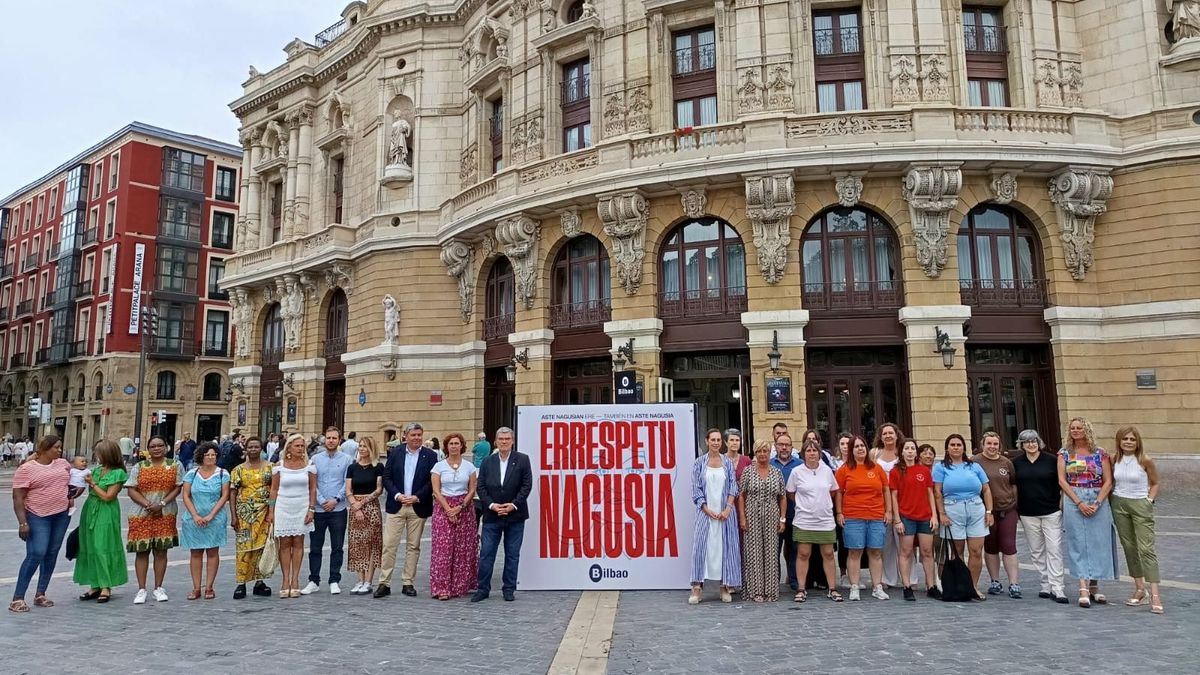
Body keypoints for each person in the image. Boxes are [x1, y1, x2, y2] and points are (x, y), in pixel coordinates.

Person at [1058, 417, 1118, 608]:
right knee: (1078, 542)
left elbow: (1108, 480)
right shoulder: (1064, 453)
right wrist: (1079, 502)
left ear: (1087, 430)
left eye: (1079, 428)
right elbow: (1062, 480)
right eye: (1073, 428)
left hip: (1097, 498)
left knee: (1098, 541)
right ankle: (1082, 586)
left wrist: (1098, 502)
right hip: (1074, 498)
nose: (1076, 431)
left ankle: (1094, 585)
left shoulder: (1100, 454)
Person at [9, 436, 71, 613]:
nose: (59, 451)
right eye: (56, 448)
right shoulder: (26, 469)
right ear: (44, 448)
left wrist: (72, 495)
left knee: (51, 553)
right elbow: (18, 497)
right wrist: (22, 522)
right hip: (37, 515)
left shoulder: (63, 464)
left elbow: (70, 483)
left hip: (61, 514)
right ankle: (18, 597)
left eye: (60, 447)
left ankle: (40, 593)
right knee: (36, 552)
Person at [377, 422, 438, 598]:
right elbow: (387, 478)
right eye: (413, 435)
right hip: (397, 505)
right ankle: (384, 582)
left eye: (419, 435)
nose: (417, 438)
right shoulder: (395, 453)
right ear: (405, 436)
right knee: (389, 545)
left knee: (413, 546)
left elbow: (431, 481)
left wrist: (417, 496)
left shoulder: (430, 455)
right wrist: (397, 495)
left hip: (418, 506)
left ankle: (408, 582)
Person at [472, 427, 532, 603]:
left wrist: (513, 505)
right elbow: (480, 486)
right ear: (495, 441)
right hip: (492, 516)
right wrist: (491, 505)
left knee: (512, 554)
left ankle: (508, 589)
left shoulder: (522, 460)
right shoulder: (487, 462)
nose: (504, 441)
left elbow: (526, 485)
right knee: (486, 553)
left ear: (512, 441)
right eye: (501, 439)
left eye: (507, 438)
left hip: (515, 515)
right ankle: (483, 589)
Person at [1109, 426, 1163, 614]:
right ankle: (1140, 589)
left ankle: (1155, 594)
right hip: (1119, 503)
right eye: (1125, 439)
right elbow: (1111, 482)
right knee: (1129, 547)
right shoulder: (1114, 459)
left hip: (1140, 503)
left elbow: (1155, 483)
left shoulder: (1145, 460)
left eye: (1132, 439)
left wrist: (1149, 501)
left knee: (1146, 548)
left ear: (1138, 441)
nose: (1129, 442)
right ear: (1119, 441)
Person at [933, 433, 994, 602]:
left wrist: (989, 512)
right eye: (952, 444)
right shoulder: (941, 467)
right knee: (957, 552)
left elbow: (986, 490)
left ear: (963, 448)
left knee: (976, 551)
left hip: (975, 508)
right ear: (947, 448)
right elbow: (937, 492)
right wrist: (942, 513)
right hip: (953, 509)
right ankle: (958, 587)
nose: (955, 447)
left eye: (958, 444)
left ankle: (973, 587)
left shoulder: (974, 466)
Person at [1011, 429, 1068, 604]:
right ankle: (1045, 583)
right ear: (1021, 444)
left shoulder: (1051, 460)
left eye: (1034, 441)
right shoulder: (1016, 463)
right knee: (1036, 551)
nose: (1031, 444)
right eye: (1027, 442)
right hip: (1028, 512)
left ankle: (1057, 587)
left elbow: (1062, 481)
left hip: (1051, 510)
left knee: (1054, 549)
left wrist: (1061, 502)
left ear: (1039, 442)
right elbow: (1013, 486)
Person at [126, 436, 184, 604]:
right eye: (153, 446)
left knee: (161, 551)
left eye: (160, 445)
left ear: (166, 447)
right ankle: (141, 588)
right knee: (142, 551)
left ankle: (158, 587)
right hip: (141, 513)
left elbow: (177, 487)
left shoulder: (175, 465)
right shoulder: (139, 466)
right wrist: (148, 504)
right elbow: (131, 489)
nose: (157, 448)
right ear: (148, 449)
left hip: (165, 513)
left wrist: (162, 503)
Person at [688, 429, 741, 604]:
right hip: (706, 514)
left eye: (719, 440)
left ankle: (724, 586)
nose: (716, 443)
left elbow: (733, 486)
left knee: (724, 549)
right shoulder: (699, 463)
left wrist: (728, 508)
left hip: (725, 515)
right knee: (702, 549)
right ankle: (697, 587)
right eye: (713, 439)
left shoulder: (727, 462)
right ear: (707, 441)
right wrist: (705, 508)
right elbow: (696, 489)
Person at [835, 435, 892, 601]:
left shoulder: (876, 468)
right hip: (853, 516)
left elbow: (886, 490)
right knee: (855, 551)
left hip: (875, 516)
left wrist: (888, 511)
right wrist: (839, 512)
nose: (860, 449)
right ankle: (854, 586)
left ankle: (877, 586)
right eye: (856, 446)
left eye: (862, 446)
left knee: (875, 551)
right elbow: (838, 492)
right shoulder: (845, 469)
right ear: (851, 451)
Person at [73, 439, 128, 603]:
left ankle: (106, 586)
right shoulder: (96, 470)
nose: (96, 455)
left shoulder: (118, 473)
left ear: (107, 453)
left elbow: (108, 496)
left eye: (98, 452)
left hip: (106, 511)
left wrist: (93, 484)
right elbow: (81, 487)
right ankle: (94, 585)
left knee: (102, 546)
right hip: (90, 510)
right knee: (90, 546)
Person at [787, 440, 842, 603]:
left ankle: (832, 588)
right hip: (804, 520)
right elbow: (790, 493)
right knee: (803, 554)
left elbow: (834, 491)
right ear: (803, 454)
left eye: (814, 450)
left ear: (819, 453)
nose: (812, 453)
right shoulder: (796, 472)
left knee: (828, 554)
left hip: (825, 520)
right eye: (808, 450)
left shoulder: (827, 471)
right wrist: (805, 505)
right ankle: (801, 588)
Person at [301, 427, 353, 596]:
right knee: (315, 547)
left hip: (338, 508)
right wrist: (322, 500)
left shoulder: (347, 459)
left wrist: (336, 500)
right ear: (325, 440)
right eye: (328, 438)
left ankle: (334, 580)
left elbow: (347, 483)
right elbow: (312, 483)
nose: (331, 440)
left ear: (340, 440)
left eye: (334, 438)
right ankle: (313, 580)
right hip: (319, 509)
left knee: (337, 546)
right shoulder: (315, 459)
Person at [267, 434, 317, 598]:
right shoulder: (278, 466)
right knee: (285, 543)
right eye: (297, 446)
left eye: (302, 446)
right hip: (283, 506)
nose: (300, 449)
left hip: (302, 506)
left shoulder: (309, 465)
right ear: (289, 447)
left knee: (298, 543)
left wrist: (311, 509)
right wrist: (271, 511)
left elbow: (312, 489)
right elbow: (273, 490)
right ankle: (285, 580)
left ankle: (295, 580)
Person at [430, 433, 479, 600]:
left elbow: (472, 489)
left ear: (462, 446)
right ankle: (441, 588)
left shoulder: (469, 467)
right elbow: (436, 490)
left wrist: (460, 507)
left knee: (463, 548)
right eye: (451, 443)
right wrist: (448, 509)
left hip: (464, 507)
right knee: (443, 549)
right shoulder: (439, 467)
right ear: (446, 446)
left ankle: (460, 585)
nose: (454, 446)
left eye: (457, 443)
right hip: (443, 506)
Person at [737, 440, 786, 602]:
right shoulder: (748, 471)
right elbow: (741, 496)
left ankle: (771, 591)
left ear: (769, 452)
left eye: (765, 451)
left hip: (772, 514)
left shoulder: (776, 472)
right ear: (755, 453)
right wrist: (742, 517)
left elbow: (783, 497)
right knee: (754, 553)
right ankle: (755, 591)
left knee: (771, 553)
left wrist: (782, 519)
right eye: (759, 451)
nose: (762, 454)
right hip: (752, 515)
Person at [181, 442, 231, 600]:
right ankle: (196, 587)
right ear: (201, 456)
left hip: (214, 518)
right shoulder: (191, 474)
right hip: (193, 518)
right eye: (208, 455)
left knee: (212, 552)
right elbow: (186, 495)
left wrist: (211, 515)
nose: (211, 457)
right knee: (195, 552)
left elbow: (225, 496)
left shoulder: (223, 474)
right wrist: (195, 515)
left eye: (213, 455)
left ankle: (209, 586)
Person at [974, 431, 1021, 598]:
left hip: (1007, 509)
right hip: (987, 512)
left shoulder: (1006, 462)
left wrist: (1014, 504)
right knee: (991, 546)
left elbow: (1013, 484)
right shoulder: (975, 462)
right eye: (989, 443)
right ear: (983, 444)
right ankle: (995, 581)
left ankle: (1014, 583)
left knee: (1009, 546)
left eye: (995, 444)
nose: (992, 447)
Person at [890, 439, 939, 600]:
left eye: (912, 448)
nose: (910, 451)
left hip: (924, 516)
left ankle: (931, 585)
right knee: (906, 551)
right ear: (901, 452)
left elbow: (930, 493)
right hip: (906, 516)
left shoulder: (924, 471)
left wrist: (934, 515)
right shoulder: (896, 471)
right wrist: (897, 520)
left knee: (927, 552)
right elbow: (894, 496)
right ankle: (907, 586)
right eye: (907, 448)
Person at [229, 437, 274, 599]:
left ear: (261, 448)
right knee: (243, 548)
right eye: (250, 447)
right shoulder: (238, 470)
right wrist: (233, 515)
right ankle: (241, 583)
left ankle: (259, 582)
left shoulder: (271, 468)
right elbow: (232, 493)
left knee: (262, 548)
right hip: (245, 515)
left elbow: (273, 491)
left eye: (256, 446)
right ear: (246, 449)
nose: (253, 449)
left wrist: (271, 510)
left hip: (264, 513)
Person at [345, 436, 384, 595]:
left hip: (371, 508)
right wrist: (355, 505)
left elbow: (379, 489)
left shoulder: (378, 467)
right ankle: (359, 579)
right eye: (360, 446)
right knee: (356, 543)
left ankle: (368, 581)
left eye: (365, 446)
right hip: (355, 509)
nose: (362, 449)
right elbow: (348, 489)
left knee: (371, 544)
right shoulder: (352, 467)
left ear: (371, 449)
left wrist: (363, 502)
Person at [871, 423, 905, 589]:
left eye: (891, 433)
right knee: (886, 543)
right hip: (881, 501)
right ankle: (888, 578)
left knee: (904, 542)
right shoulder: (875, 453)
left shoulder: (903, 453)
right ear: (881, 436)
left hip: (902, 499)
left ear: (897, 435)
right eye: (885, 434)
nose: (888, 436)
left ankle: (908, 578)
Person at [769, 433, 802, 592]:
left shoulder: (800, 464)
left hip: (796, 514)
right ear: (775, 446)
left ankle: (795, 581)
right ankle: (773, 583)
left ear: (791, 447)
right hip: (772, 516)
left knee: (794, 550)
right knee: (773, 550)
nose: (784, 448)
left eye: (787, 445)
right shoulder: (768, 464)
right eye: (780, 444)